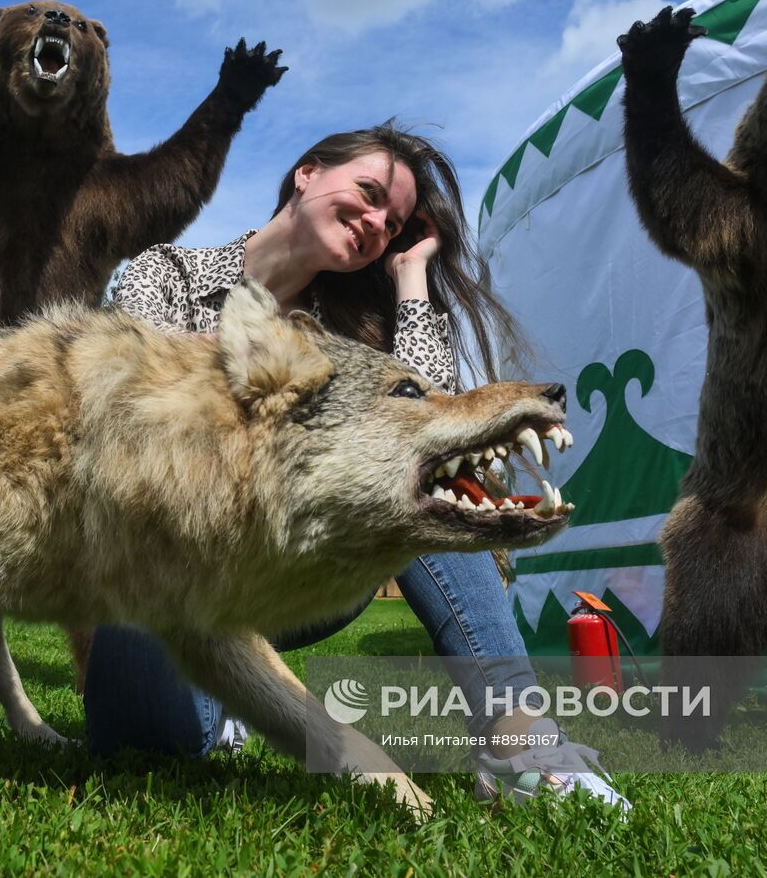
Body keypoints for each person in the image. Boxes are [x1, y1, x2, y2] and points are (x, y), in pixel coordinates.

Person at [85, 121, 628, 811]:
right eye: (368, 194)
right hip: (161, 584)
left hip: (284, 581)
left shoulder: (345, 334)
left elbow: (439, 432)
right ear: (306, 174)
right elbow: (134, 418)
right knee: (153, 748)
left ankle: (522, 741)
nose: (375, 222)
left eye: (392, 221)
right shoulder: (168, 272)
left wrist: (410, 277)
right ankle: (230, 709)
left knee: (419, 475)